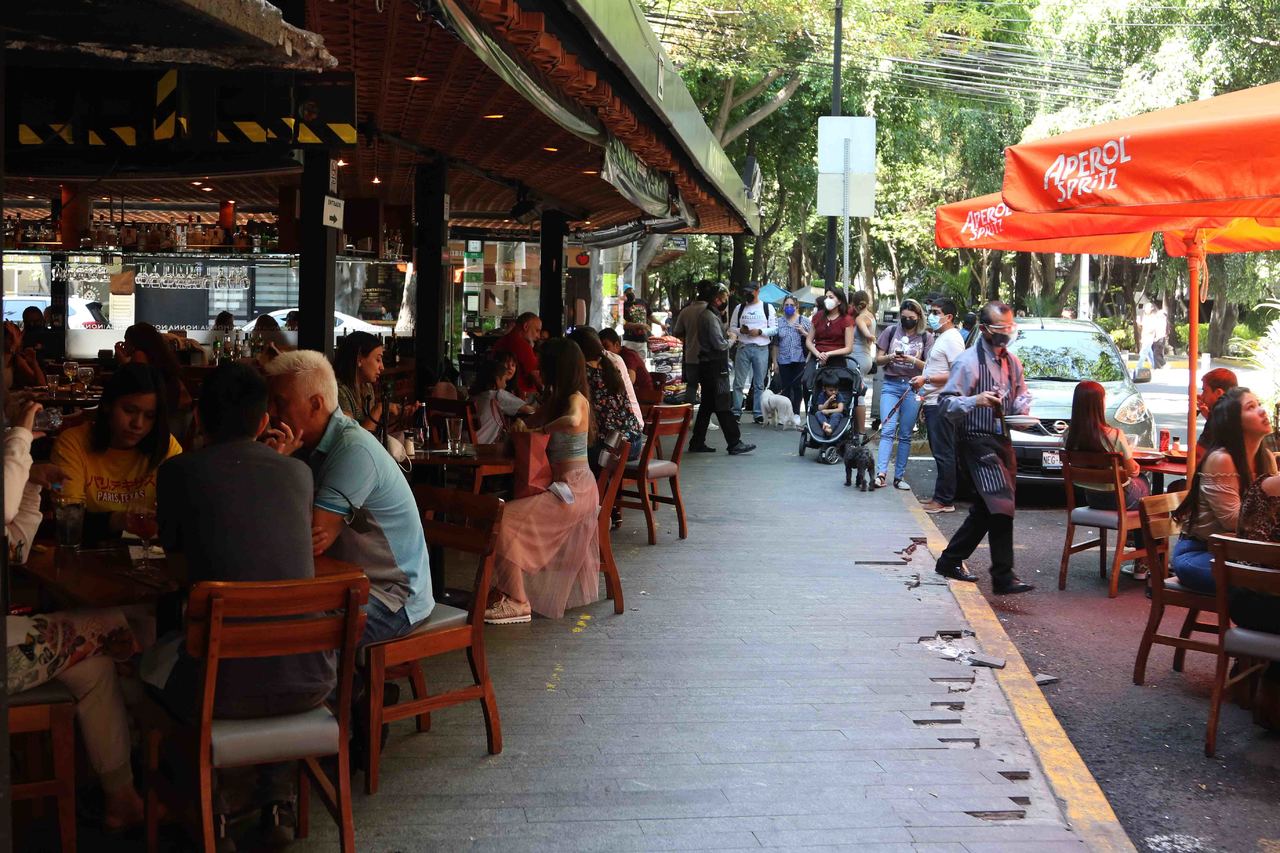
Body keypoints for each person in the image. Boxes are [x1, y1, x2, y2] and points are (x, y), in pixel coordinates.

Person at [154, 362, 331, 838]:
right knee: (267, 646)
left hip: (218, 691)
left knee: (147, 672)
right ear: (263, 421)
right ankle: (275, 798)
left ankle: (210, 805)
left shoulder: (177, 472)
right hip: (311, 681)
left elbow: (180, 572)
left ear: (198, 417)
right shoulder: (299, 474)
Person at [263, 351, 433, 645]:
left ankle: (330, 677)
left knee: (291, 631)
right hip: (348, 584)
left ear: (316, 404)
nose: (271, 412)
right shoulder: (303, 446)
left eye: (280, 402)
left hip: (392, 597)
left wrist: (277, 470)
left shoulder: (353, 450)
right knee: (260, 618)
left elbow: (311, 544)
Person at [486, 339, 601, 623]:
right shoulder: (554, 401)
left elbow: (573, 420)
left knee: (504, 519)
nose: (538, 371)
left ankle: (518, 600)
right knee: (501, 518)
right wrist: (522, 425)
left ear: (557, 368)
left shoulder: (576, 399)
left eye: (543, 366)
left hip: (575, 490)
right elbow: (529, 422)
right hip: (561, 488)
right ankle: (509, 591)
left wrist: (543, 428)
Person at [933, 301, 1035, 595]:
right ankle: (1003, 576)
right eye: (1000, 328)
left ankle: (950, 560)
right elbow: (945, 404)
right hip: (974, 440)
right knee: (1000, 503)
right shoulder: (967, 362)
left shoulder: (1013, 363)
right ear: (984, 329)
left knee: (988, 508)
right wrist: (974, 400)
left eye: (1010, 327)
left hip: (1002, 440)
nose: (1007, 333)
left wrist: (1023, 409)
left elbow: (1020, 397)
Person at [51, 363, 182, 544]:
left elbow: (180, 514)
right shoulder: (73, 443)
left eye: (149, 416)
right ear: (107, 406)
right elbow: (69, 520)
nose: (138, 424)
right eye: (129, 411)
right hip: (89, 550)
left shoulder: (165, 445)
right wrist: (119, 520)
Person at [1171, 388, 1276, 593]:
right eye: (1251, 407)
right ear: (1234, 422)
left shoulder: (1266, 457)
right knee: (1264, 583)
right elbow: (1232, 521)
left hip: (1243, 551)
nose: (1262, 411)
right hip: (1200, 552)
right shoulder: (1222, 459)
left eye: (1259, 404)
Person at [687, 283, 755, 455]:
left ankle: (697, 441)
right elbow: (720, 344)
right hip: (715, 367)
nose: (725, 302)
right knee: (723, 404)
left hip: (709, 365)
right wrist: (732, 338)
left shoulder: (711, 315)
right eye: (724, 299)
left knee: (707, 406)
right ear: (717, 300)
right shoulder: (709, 317)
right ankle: (734, 442)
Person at [1063, 381, 1151, 512]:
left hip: (1092, 499)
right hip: (1121, 499)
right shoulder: (1115, 435)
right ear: (1100, 404)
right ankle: (1137, 523)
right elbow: (1131, 470)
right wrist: (1135, 468)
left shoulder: (1069, 435)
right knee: (1143, 480)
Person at [913, 297, 965, 513]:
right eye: (931, 312)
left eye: (936, 313)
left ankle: (944, 500)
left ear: (948, 316)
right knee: (940, 451)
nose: (932, 316)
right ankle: (941, 496)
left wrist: (926, 379)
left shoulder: (952, 339)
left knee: (944, 452)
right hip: (933, 400)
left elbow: (958, 373)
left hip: (943, 401)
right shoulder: (942, 337)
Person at [873, 299, 930, 490]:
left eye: (911, 317)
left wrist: (912, 359)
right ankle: (881, 474)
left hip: (913, 387)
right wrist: (891, 357)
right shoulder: (891, 331)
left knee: (905, 434)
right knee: (887, 430)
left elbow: (929, 366)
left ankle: (899, 477)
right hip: (891, 384)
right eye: (904, 317)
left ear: (918, 317)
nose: (907, 321)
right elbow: (878, 360)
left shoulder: (926, 337)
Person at [569, 327, 644, 460]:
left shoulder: (584, 373)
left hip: (612, 450)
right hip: (634, 442)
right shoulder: (611, 363)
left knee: (566, 452)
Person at [119, 322, 195, 439]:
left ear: (133, 342)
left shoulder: (139, 356)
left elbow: (134, 386)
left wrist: (123, 364)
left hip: (166, 423)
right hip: (182, 419)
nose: (124, 345)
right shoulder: (161, 356)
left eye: (126, 340)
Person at [727, 282, 776, 424]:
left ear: (757, 291)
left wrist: (760, 332)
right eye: (745, 292)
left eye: (750, 291)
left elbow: (774, 329)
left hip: (761, 348)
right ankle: (736, 411)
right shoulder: (739, 308)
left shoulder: (767, 308)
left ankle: (758, 413)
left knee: (759, 383)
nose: (747, 294)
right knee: (738, 382)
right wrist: (740, 331)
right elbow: (732, 327)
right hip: (743, 347)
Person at [469, 358, 534, 445]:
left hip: (465, 445)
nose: (505, 384)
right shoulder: (498, 395)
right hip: (481, 448)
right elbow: (528, 410)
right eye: (504, 380)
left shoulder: (473, 397)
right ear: (497, 380)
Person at [772, 296, 810, 417]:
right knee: (785, 387)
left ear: (796, 306)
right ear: (783, 307)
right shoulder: (778, 322)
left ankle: (796, 413)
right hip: (783, 359)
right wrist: (775, 362)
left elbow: (813, 339)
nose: (789, 307)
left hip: (799, 359)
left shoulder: (804, 321)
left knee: (797, 387)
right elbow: (775, 344)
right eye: (786, 305)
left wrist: (804, 332)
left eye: (791, 305)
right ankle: (785, 414)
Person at [599, 327, 659, 405]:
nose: (603, 351)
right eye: (601, 348)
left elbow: (630, 381)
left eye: (606, 347)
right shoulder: (613, 357)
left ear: (617, 345)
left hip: (643, 397)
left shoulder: (628, 356)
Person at [490, 312, 543, 397]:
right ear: (526, 326)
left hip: (502, 394)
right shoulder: (522, 345)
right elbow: (536, 376)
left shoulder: (502, 341)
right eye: (537, 331)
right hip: (522, 396)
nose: (538, 336)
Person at [671, 285, 709, 403]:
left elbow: (677, 332)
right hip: (709, 356)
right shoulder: (710, 310)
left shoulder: (686, 311)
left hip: (691, 355)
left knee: (691, 385)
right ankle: (705, 413)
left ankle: (689, 411)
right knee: (708, 387)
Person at [849, 290, 877, 377]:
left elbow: (865, 331)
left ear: (854, 305)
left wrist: (869, 336)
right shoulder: (871, 316)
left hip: (856, 358)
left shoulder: (860, 318)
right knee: (859, 383)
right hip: (866, 358)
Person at [620, 286, 652, 357]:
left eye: (631, 290)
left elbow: (650, 316)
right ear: (624, 294)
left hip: (642, 340)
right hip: (629, 340)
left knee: (642, 361)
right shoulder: (622, 305)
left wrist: (660, 324)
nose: (630, 293)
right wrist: (640, 325)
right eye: (627, 292)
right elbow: (624, 324)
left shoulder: (642, 302)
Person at [1137, 302, 1158, 371]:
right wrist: (1138, 322)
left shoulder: (1153, 317)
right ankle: (1153, 365)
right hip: (1145, 337)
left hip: (1149, 338)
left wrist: (1147, 332)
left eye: (1147, 308)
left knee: (1143, 353)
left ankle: (1139, 367)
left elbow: (1153, 328)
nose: (1145, 309)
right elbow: (1142, 326)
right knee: (1149, 353)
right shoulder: (1145, 317)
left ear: (1151, 309)